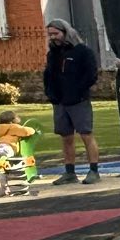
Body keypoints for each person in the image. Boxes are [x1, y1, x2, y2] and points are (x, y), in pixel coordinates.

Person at [43, 18, 102, 184]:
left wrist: (78, 91)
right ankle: (70, 172)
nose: (53, 37)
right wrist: (51, 93)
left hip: (78, 100)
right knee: (66, 137)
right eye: (50, 34)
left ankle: (94, 170)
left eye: (56, 34)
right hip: (59, 101)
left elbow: (91, 75)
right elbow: (48, 75)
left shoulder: (82, 51)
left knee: (86, 134)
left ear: (65, 32)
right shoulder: (52, 54)